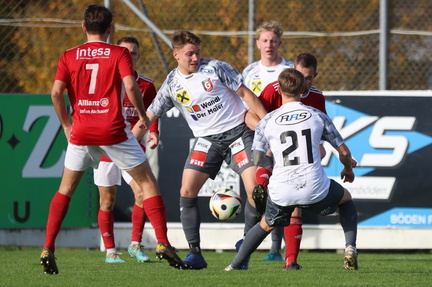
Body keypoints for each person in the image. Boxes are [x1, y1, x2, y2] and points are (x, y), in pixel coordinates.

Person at [39, 5, 183, 275]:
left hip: (81, 131)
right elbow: (130, 86)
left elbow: (56, 92)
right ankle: (163, 242)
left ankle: (48, 247)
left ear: (84, 27)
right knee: (147, 183)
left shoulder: (69, 55)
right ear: (110, 30)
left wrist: (66, 124)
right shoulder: (118, 53)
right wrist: (144, 116)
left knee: (65, 190)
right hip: (113, 130)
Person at [144, 30, 268, 270]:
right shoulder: (171, 83)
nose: (195, 58)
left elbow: (246, 95)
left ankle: (245, 248)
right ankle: (195, 253)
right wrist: (127, 142)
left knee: (255, 190)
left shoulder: (216, 68)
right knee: (187, 189)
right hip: (207, 140)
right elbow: (148, 116)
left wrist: (268, 126)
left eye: (197, 52)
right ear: (176, 54)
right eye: (189, 54)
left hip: (238, 133)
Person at [225, 68, 359, 271]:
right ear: (303, 87)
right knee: (346, 199)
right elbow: (344, 152)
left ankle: (234, 265)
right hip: (315, 188)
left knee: (265, 224)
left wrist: (267, 175)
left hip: (281, 191)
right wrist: (348, 169)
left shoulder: (267, 121)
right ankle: (350, 247)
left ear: (278, 91)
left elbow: (258, 158)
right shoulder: (317, 115)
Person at [245, 53, 327, 268]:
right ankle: (261, 189)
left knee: (294, 204)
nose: (303, 82)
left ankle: (290, 260)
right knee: (261, 203)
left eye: (308, 78)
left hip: (295, 156)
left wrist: (320, 147)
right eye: (300, 75)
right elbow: (249, 116)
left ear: (314, 76)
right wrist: (274, 132)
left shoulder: (317, 97)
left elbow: (322, 130)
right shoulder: (276, 89)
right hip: (274, 145)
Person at [93, 36, 160, 263]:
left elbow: (153, 111)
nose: (128, 56)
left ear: (138, 57)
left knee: (141, 193)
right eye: (125, 52)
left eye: (133, 53)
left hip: (132, 147)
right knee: (107, 201)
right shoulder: (105, 81)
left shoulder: (146, 85)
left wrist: (153, 132)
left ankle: (135, 244)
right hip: (106, 147)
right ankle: (110, 250)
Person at [242, 21, 294, 261]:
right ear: (258, 44)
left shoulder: (291, 70)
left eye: (273, 40)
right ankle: (247, 243)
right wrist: (266, 133)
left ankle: (275, 248)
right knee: (256, 191)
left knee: (282, 192)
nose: (269, 45)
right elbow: (244, 111)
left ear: (279, 44)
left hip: (285, 140)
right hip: (256, 138)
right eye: (265, 40)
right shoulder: (249, 72)